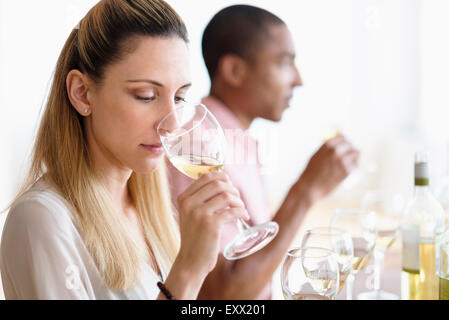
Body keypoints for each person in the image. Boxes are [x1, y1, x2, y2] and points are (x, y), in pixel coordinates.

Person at [0, 0, 249, 300]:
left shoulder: (151, 212)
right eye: (146, 96)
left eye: (180, 98)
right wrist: (188, 271)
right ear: (81, 93)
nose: (170, 125)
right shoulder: (43, 220)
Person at [167, 5, 360, 299]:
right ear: (234, 70)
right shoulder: (199, 147)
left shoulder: (237, 140)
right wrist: (306, 190)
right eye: (284, 63)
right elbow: (226, 295)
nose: (298, 80)